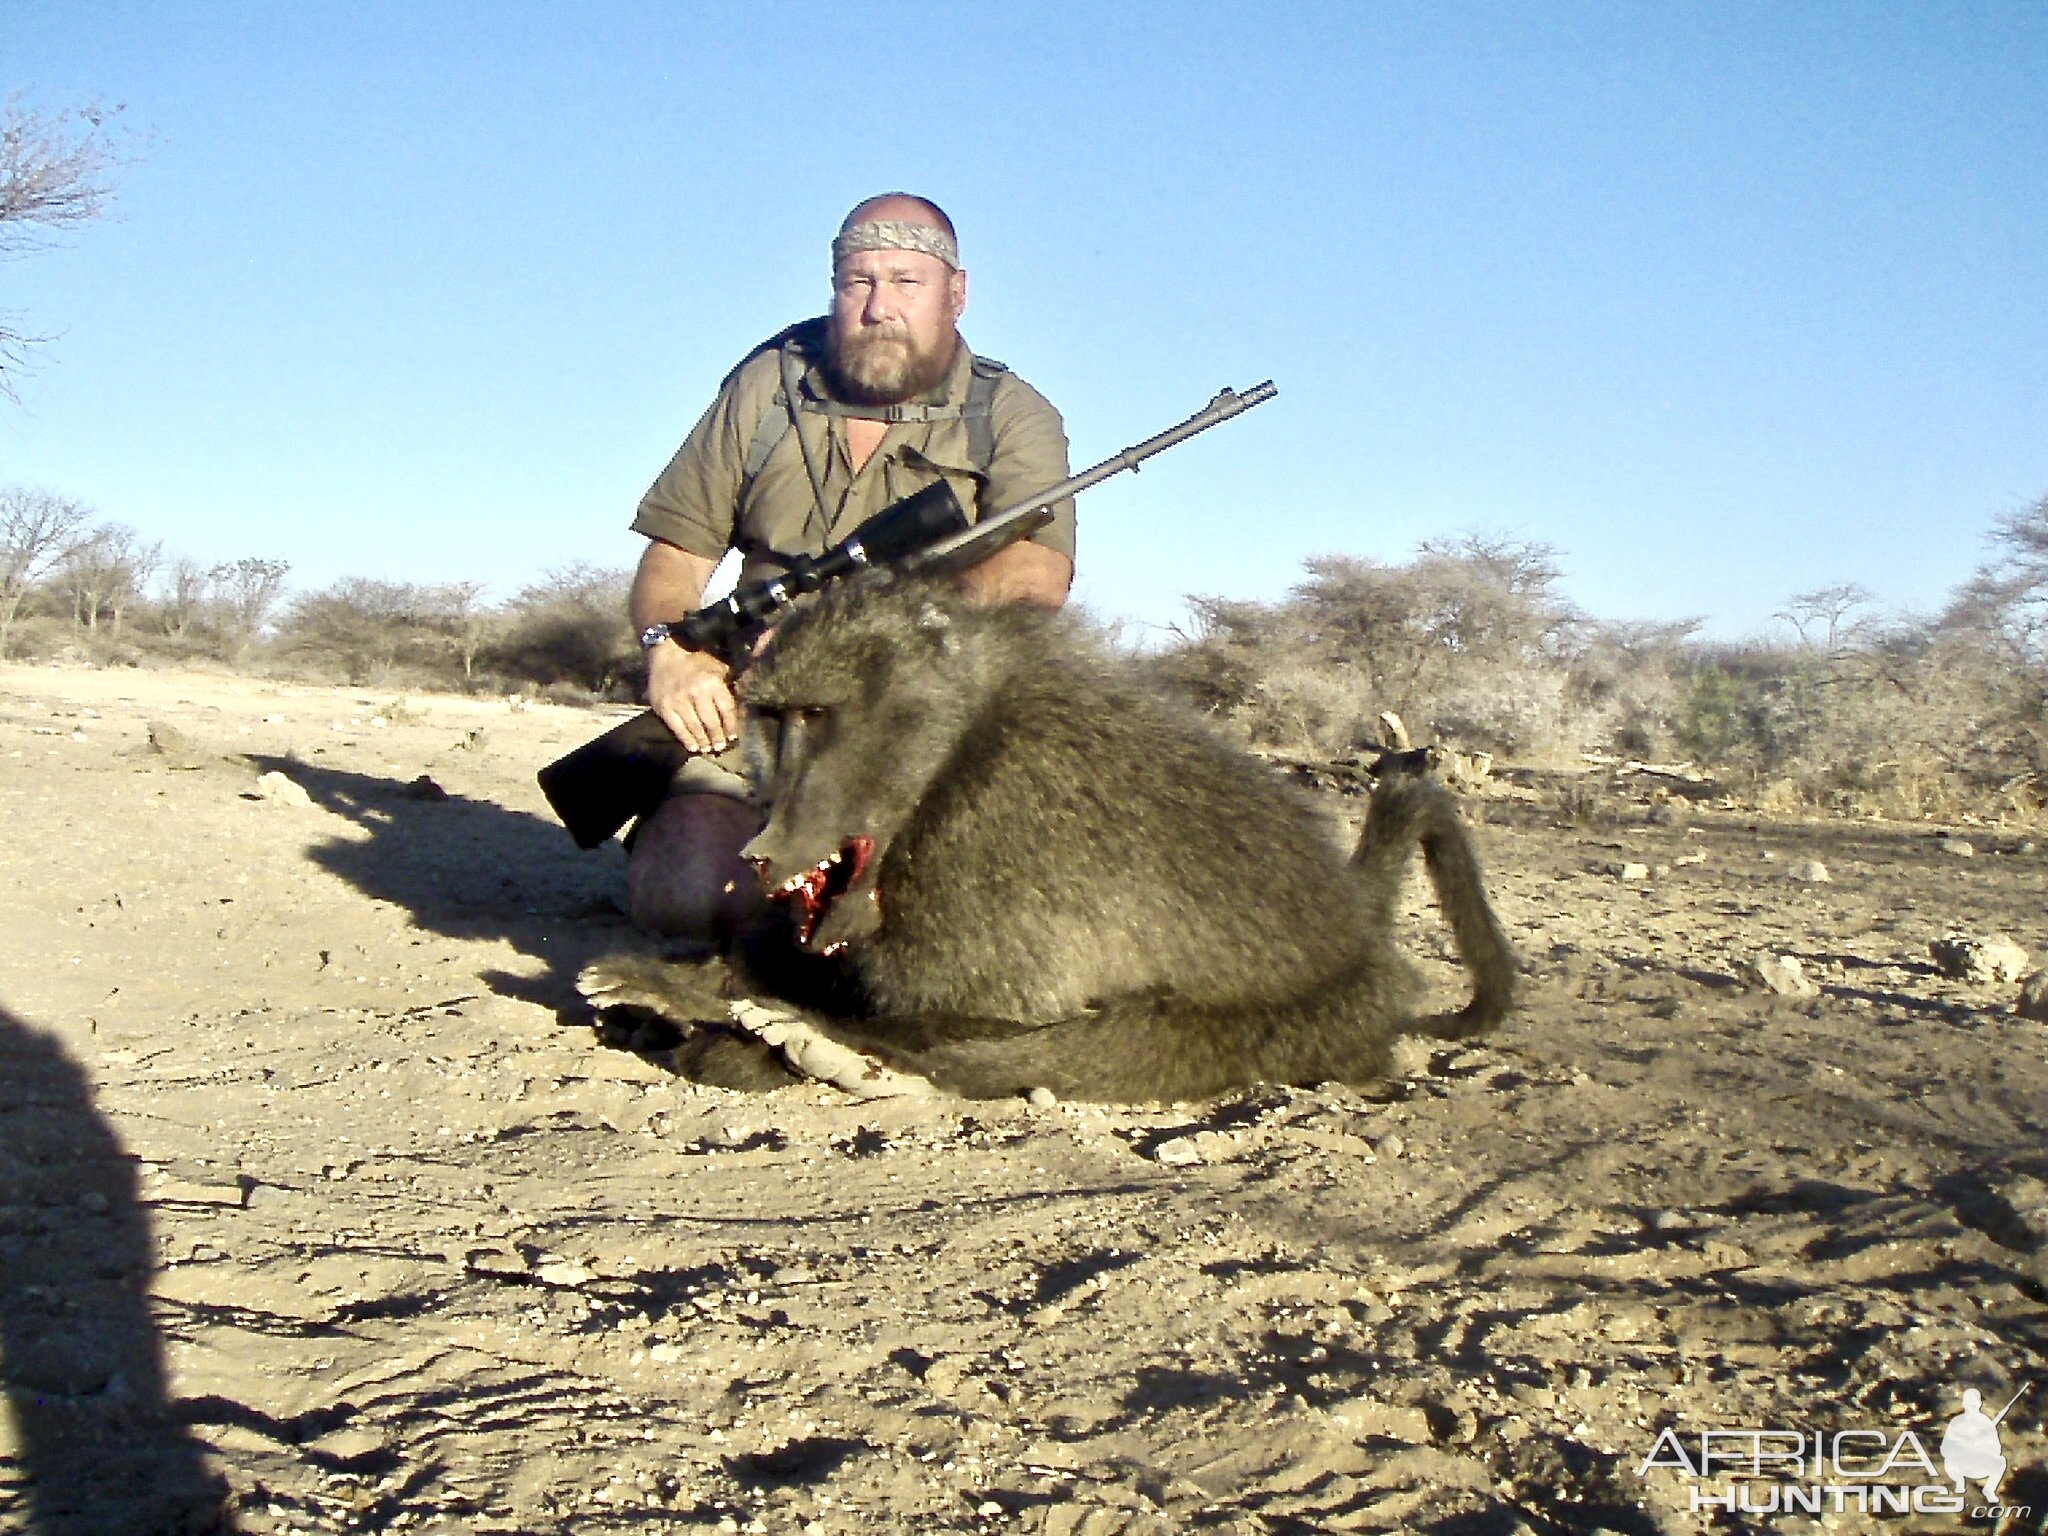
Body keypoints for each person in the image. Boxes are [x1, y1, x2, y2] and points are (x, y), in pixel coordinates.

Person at [623, 193, 1076, 944]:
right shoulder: (765, 385)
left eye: (906, 281)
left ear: (955, 294)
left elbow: (1036, 576)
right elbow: (675, 553)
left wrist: (852, 631)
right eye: (857, 282)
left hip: (913, 720)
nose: (877, 306)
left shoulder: (1014, 413)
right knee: (686, 894)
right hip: (757, 708)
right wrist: (668, 653)